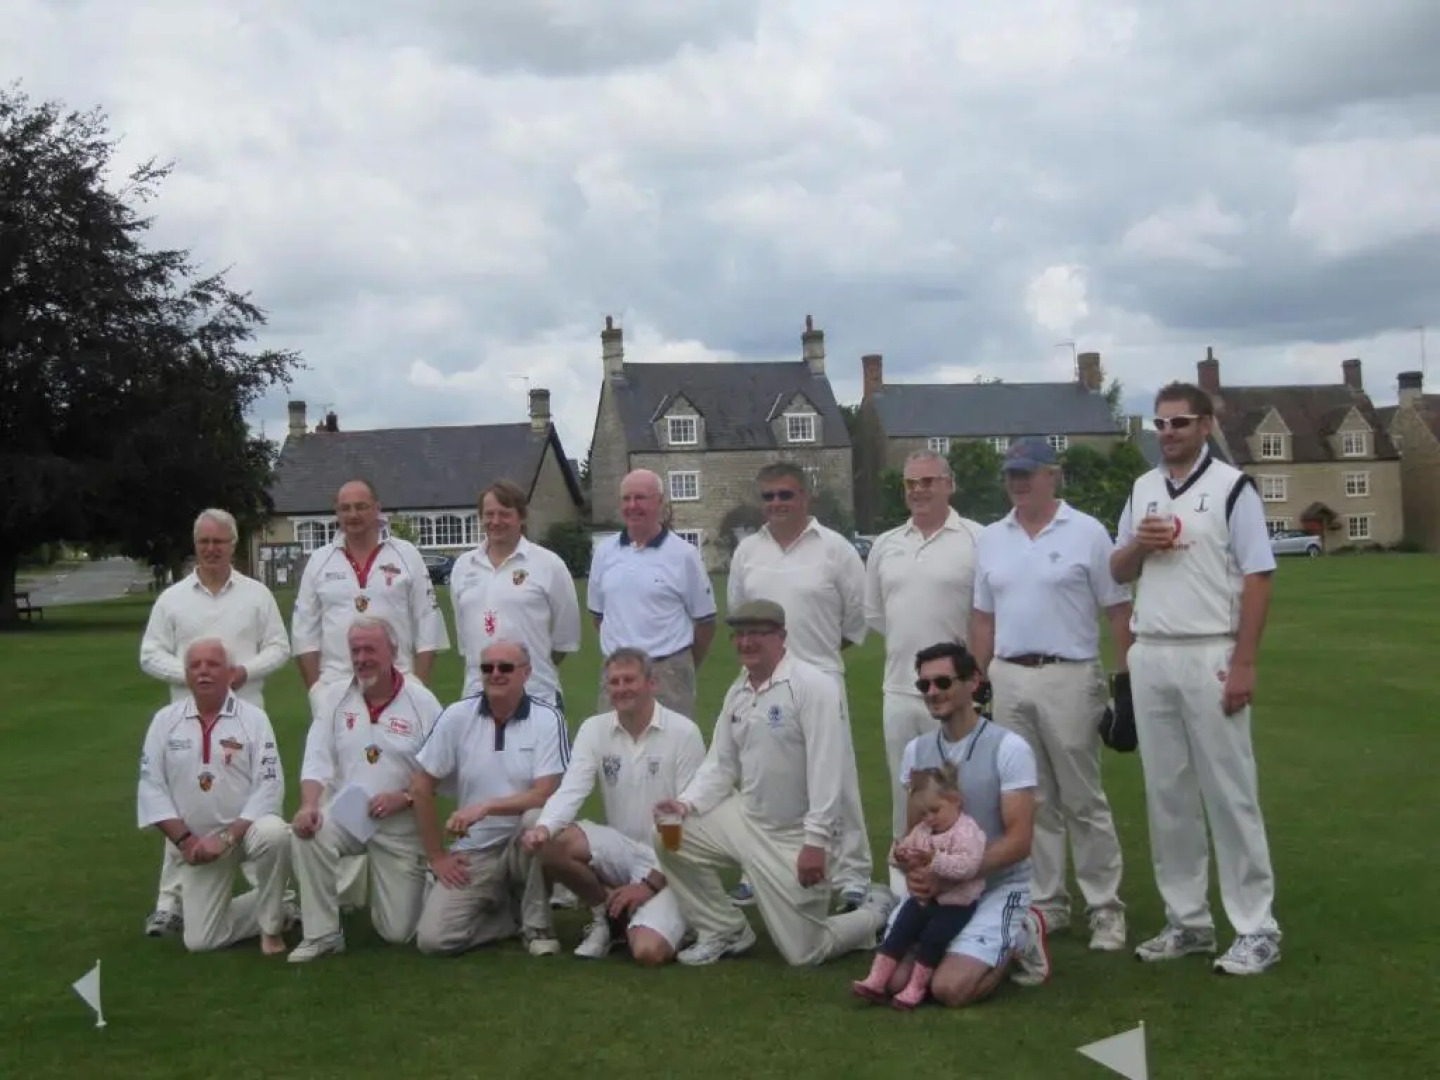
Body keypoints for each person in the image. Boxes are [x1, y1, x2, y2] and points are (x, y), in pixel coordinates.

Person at [1111, 382, 1282, 976]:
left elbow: (1259, 576)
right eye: (1160, 424)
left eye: (1179, 423)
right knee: (1168, 796)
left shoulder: (1233, 489)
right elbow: (1116, 568)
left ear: (1205, 426)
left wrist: (1244, 662)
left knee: (1230, 793)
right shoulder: (1142, 488)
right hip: (1152, 649)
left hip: (1210, 647)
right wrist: (1140, 544)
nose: (1167, 434)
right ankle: (1188, 921)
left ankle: (1257, 926)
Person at [653, 600, 894, 967]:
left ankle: (874, 912)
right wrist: (685, 804)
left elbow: (829, 771)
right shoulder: (739, 691)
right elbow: (720, 764)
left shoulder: (812, 686)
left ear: (781, 637)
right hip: (746, 820)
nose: (747, 642)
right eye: (741, 634)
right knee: (670, 835)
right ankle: (724, 928)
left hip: (794, 839)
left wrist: (816, 843)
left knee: (804, 953)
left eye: (758, 634)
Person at [968, 438, 1133, 951]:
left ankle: (1105, 908)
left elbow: (1118, 611)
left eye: (1028, 473)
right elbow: (982, 616)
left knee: (1083, 799)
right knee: (1028, 799)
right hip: (1009, 675)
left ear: (1052, 475)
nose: (1018, 482)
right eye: (1011, 474)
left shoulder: (1086, 532)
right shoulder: (993, 538)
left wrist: (1124, 683)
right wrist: (978, 681)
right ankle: (1046, 903)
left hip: (1070, 673)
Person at [726, 462, 874, 911]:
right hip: (763, 683)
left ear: (805, 497)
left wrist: (813, 663)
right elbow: (740, 614)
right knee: (764, 782)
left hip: (822, 678)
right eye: (768, 496)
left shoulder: (836, 550)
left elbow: (855, 619)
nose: (776, 504)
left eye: (785, 495)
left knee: (837, 780)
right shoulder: (748, 551)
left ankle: (851, 875)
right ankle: (762, 870)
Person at [138, 508, 291, 938]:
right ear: (195, 545)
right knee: (189, 806)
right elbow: (150, 654)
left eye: (219, 542)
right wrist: (195, 677)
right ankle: (170, 903)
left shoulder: (257, 595)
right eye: (204, 541)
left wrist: (239, 674)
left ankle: (273, 899)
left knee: (261, 804)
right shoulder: (173, 599)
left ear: (232, 545)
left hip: (246, 713)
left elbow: (280, 647)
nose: (211, 549)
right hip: (186, 718)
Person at [884, 641, 1051, 1005]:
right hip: (938, 891)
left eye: (942, 683)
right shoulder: (917, 751)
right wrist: (911, 865)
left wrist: (951, 872)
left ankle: (1021, 934)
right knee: (895, 982)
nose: (932, 693)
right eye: (924, 685)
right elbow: (914, 831)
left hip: (996, 887)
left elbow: (1019, 841)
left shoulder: (1009, 748)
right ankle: (955, 946)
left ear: (972, 682)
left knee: (949, 990)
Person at [519, 648, 706, 964]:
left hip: (673, 861)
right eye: (614, 682)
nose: (621, 689)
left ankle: (680, 919)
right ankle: (605, 915)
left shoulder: (684, 733)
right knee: (546, 836)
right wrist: (543, 828)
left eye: (629, 680)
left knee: (648, 953)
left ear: (651, 683)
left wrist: (649, 884)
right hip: (622, 849)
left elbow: (691, 823)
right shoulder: (594, 729)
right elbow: (571, 790)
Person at [287, 617, 445, 962]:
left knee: (398, 933)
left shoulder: (422, 702)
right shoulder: (335, 698)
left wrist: (403, 798)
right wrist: (309, 804)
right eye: (355, 651)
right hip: (351, 813)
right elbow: (316, 758)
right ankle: (322, 934)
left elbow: (446, 772)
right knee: (308, 832)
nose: (361, 658)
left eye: (369, 649)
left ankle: (428, 881)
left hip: (402, 824)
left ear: (393, 651)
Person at [864, 450, 983, 890]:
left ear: (949, 484)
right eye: (911, 483)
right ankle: (905, 891)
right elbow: (876, 615)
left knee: (960, 795)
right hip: (900, 689)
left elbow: (986, 615)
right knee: (909, 795)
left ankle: (963, 882)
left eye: (928, 481)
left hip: (958, 695)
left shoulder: (976, 539)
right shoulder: (886, 545)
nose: (919, 490)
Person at [410, 640, 569, 957]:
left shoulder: (547, 718)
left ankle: (537, 927)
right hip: (474, 851)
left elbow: (547, 791)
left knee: (536, 819)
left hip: (523, 844)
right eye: (487, 668)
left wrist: (486, 807)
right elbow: (420, 787)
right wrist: (437, 856)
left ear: (526, 673)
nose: (495, 674)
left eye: (505, 668)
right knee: (433, 940)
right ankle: (508, 919)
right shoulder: (457, 716)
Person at [136, 638, 292, 954]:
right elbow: (151, 788)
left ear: (230, 673)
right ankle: (281, 906)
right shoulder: (165, 721)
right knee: (202, 941)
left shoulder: (253, 719)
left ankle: (272, 927)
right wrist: (187, 842)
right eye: (195, 666)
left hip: (246, 832)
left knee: (275, 834)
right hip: (199, 842)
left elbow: (270, 784)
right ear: (187, 674)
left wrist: (229, 837)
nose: (204, 672)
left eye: (213, 665)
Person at [291, 478, 449, 699]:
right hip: (336, 687)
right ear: (337, 512)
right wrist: (316, 691)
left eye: (361, 506)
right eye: (345, 508)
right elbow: (303, 631)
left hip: (397, 685)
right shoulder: (319, 560)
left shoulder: (406, 554)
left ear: (377, 508)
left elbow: (428, 621)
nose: (353, 515)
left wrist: (419, 685)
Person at [852, 764, 987, 1009]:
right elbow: (899, 856)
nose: (929, 818)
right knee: (901, 928)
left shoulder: (968, 831)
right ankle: (877, 979)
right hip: (924, 898)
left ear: (956, 800)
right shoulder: (925, 830)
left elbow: (968, 867)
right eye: (924, 814)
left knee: (933, 937)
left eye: (935, 811)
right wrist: (900, 854)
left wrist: (934, 860)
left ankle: (916, 987)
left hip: (957, 902)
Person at [587, 469, 716, 719]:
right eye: (626, 499)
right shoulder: (604, 553)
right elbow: (598, 617)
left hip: (667, 674)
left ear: (659, 502)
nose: (632, 506)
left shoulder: (684, 555)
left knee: (672, 753)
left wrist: (680, 666)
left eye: (641, 498)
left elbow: (706, 623)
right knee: (612, 752)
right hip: (616, 675)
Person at [449, 479, 582, 707]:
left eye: (505, 514)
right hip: (476, 697)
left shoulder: (549, 565)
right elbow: (465, 640)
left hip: (536, 696)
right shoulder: (463, 566)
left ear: (521, 517)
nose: (496, 521)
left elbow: (563, 640)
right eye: (489, 514)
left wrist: (525, 669)